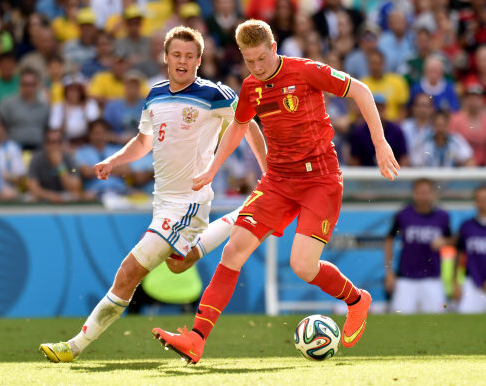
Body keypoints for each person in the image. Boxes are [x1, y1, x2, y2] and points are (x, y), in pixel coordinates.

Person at [152, 19, 400, 364]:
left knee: (302, 264)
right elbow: (238, 127)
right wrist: (211, 169)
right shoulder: (251, 87)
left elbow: (360, 90)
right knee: (233, 252)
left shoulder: (305, 71)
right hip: (278, 181)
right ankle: (196, 338)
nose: (257, 67)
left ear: (274, 48)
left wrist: (380, 143)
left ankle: (357, 300)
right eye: (249, 61)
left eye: (261, 59)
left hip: (320, 181)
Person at [39, 25, 267, 363]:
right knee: (180, 263)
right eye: (176, 54)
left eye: (190, 56)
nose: (182, 61)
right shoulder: (156, 94)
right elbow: (145, 141)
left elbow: (247, 124)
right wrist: (115, 160)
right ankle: (242, 216)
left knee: (128, 273)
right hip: (162, 203)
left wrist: (269, 172)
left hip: (188, 202)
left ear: (199, 60)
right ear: (165, 57)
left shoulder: (215, 95)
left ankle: (73, 347)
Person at [384, 178, 452, 313]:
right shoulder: (404, 215)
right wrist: (389, 271)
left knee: (438, 320)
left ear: (433, 194)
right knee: (399, 320)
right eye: (420, 192)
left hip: (432, 277)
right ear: (414, 194)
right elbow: (389, 240)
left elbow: (452, 239)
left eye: (427, 192)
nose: (423, 196)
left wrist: (444, 241)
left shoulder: (442, 216)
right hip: (406, 278)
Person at [27, 129, 85, 203]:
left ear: (62, 144)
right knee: (32, 198)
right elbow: (33, 188)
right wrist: (52, 196)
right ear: (45, 144)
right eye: (51, 142)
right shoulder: (36, 159)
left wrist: (60, 165)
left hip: (65, 197)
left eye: (58, 142)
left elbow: (75, 187)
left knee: (76, 196)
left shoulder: (69, 158)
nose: (54, 146)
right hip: (43, 197)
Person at [454, 185, 486, 313]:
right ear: (475, 202)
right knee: (465, 321)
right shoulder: (467, 226)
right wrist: (456, 282)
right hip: (472, 281)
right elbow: (460, 255)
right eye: (481, 199)